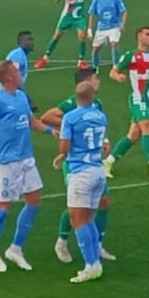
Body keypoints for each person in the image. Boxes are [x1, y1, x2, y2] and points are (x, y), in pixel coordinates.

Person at [0, 60, 50, 273]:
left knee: (34, 201)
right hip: (6, 163)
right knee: (3, 208)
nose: (21, 74)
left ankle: (16, 248)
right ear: (9, 76)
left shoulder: (20, 97)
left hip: (26, 158)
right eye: (17, 71)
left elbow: (31, 121)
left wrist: (50, 131)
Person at [39, 68, 117, 266]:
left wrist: (105, 141)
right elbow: (47, 117)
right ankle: (62, 241)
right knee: (77, 207)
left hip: (93, 162)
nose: (98, 81)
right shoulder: (72, 103)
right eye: (95, 78)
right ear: (87, 82)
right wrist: (70, 126)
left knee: (103, 202)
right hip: (75, 164)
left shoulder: (96, 103)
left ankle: (97, 245)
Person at [54, 77, 112, 283]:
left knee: (78, 220)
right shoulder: (100, 116)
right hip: (98, 171)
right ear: (92, 96)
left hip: (81, 173)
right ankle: (95, 259)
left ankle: (92, 265)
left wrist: (61, 155)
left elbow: (64, 147)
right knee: (88, 218)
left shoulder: (70, 118)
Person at [107, 26, 149, 179]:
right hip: (138, 98)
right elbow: (113, 71)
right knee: (147, 126)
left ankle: (108, 162)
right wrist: (118, 77)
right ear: (139, 37)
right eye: (148, 34)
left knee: (133, 136)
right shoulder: (130, 55)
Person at [35, 0, 90, 71]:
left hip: (79, 16)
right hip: (67, 15)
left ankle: (81, 61)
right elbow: (57, 0)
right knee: (57, 35)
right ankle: (45, 57)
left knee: (82, 36)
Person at [87, 0, 128, 70]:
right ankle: (95, 67)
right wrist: (89, 29)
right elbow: (92, 14)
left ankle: (116, 66)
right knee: (95, 49)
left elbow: (124, 11)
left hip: (114, 26)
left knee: (114, 43)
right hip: (102, 27)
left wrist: (122, 24)